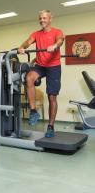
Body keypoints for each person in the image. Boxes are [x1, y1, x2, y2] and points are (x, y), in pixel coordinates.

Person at [18, 10, 64, 138]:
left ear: (50, 19)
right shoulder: (36, 34)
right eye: (40, 18)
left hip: (54, 66)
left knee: (52, 97)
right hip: (40, 65)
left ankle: (50, 126)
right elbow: (27, 42)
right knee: (29, 78)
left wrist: (55, 45)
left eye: (44, 18)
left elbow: (60, 40)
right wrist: (22, 47)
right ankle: (33, 111)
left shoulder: (57, 32)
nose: (42, 20)